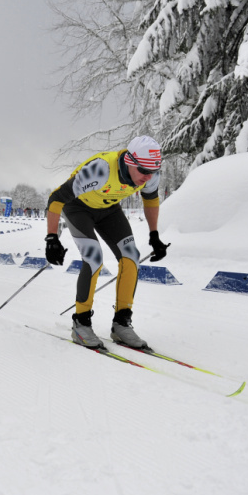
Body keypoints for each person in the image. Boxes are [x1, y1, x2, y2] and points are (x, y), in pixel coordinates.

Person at [45, 135, 170, 350]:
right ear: (129, 161)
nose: (148, 177)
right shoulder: (100, 169)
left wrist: (154, 235)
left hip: (108, 208)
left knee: (131, 256)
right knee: (94, 257)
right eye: (143, 170)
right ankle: (81, 323)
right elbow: (56, 198)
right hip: (77, 207)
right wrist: (51, 238)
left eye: (153, 171)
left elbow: (150, 201)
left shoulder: (149, 174)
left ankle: (122, 323)